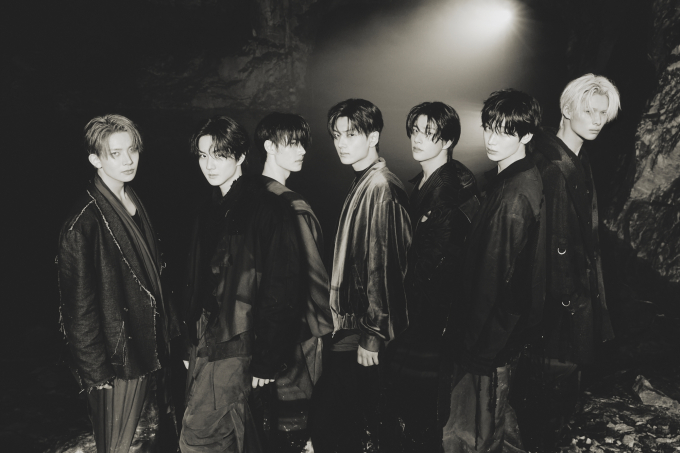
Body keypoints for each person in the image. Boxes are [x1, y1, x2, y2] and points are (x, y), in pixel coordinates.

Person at [57, 114, 180, 452]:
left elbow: (154, 275)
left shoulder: (132, 198)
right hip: (118, 359)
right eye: (115, 153)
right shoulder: (83, 223)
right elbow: (78, 309)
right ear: (95, 160)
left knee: (151, 436)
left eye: (132, 150)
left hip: (148, 345)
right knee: (118, 444)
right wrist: (95, 374)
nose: (128, 160)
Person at [179, 116, 302, 453]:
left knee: (199, 436)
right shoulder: (207, 208)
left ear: (241, 156)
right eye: (203, 155)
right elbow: (194, 281)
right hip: (206, 336)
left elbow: (283, 286)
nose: (209, 165)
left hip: (238, 339)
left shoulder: (268, 209)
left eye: (219, 155)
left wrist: (268, 358)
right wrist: (188, 340)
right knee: (233, 431)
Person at [518, 74, 620, 452]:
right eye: (589, 111)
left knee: (557, 396)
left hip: (567, 300)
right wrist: (567, 301)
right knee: (552, 396)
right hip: (558, 306)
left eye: (602, 113)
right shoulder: (554, 165)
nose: (597, 120)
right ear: (566, 109)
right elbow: (553, 243)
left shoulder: (575, 157)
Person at [442, 89, 546, 453]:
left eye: (504, 131)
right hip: (498, 334)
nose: (491, 138)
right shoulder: (509, 181)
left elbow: (494, 276)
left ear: (526, 135)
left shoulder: (514, 196)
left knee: (481, 430)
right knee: (492, 421)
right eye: (489, 127)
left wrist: (473, 347)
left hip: (491, 338)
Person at [310, 98, 412, 452]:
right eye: (336, 135)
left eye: (351, 134)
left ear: (373, 137)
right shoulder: (365, 182)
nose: (341, 143)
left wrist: (374, 332)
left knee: (332, 420)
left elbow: (386, 265)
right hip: (351, 325)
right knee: (349, 422)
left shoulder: (381, 188)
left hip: (361, 330)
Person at [384, 101, 480, 452]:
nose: (418, 139)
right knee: (414, 403)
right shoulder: (428, 180)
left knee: (420, 406)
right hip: (422, 315)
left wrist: (399, 309)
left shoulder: (446, 192)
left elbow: (438, 264)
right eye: (415, 131)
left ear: (448, 140)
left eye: (429, 133)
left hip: (427, 319)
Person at [254, 112, 334, 452]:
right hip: (297, 330)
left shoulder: (248, 194)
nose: (302, 151)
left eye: (303, 143)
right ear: (269, 146)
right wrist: (324, 326)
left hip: (255, 330)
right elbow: (313, 276)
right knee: (296, 423)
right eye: (293, 143)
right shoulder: (291, 205)